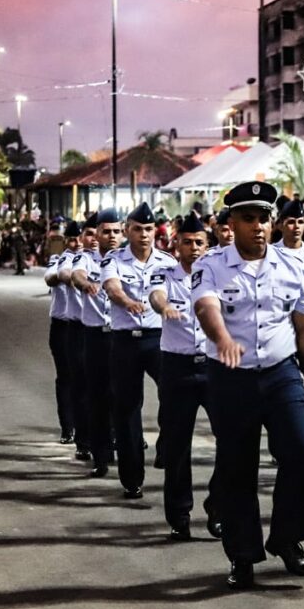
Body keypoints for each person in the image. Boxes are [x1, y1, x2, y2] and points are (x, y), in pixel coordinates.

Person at [192, 180, 304, 587]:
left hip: (280, 372)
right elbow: (206, 307)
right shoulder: (211, 265)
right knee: (237, 466)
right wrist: (222, 338)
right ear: (231, 223)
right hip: (231, 376)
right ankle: (242, 555)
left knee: (302, 450)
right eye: (248, 218)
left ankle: (287, 538)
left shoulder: (293, 265)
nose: (257, 226)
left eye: (264, 219)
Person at [147, 213, 220, 541]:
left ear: (207, 245)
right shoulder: (164, 273)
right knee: (177, 445)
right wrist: (163, 308)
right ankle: (179, 516)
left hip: (214, 367)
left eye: (199, 242)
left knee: (231, 439)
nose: (193, 248)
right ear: (176, 244)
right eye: (187, 242)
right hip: (177, 367)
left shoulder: (219, 276)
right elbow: (156, 295)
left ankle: (218, 506)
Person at [100, 202, 178, 498]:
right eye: (137, 229)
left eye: (148, 229)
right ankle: (132, 478)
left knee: (174, 395)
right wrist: (127, 302)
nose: (144, 235)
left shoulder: (167, 262)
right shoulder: (114, 259)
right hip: (125, 341)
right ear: (127, 231)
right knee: (127, 408)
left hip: (160, 339)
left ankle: (165, 447)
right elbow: (112, 287)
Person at [70, 210, 121, 477]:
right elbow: (76, 275)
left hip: (121, 336)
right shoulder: (85, 258)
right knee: (97, 396)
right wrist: (86, 284)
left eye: (116, 231)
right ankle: (101, 455)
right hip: (95, 337)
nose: (111, 236)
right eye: (106, 231)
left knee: (122, 396)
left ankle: (123, 445)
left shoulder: (127, 260)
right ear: (96, 234)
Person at [44, 223, 82, 445]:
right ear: (65, 241)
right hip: (63, 327)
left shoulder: (94, 261)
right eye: (72, 240)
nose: (76, 244)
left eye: (79, 239)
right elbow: (50, 278)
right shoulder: (57, 260)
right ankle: (68, 427)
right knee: (66, 377)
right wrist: (68, 275)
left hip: (86, 327)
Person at [59, 221, 91, 461]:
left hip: (108, 332)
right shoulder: (69, 259)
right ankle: (80, 437)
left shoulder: (115, 259)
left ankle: (112, 435)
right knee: (78, 384)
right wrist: (76, 279)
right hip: (77, 328)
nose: (78, 242)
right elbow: (61, 274)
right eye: (75, 238)